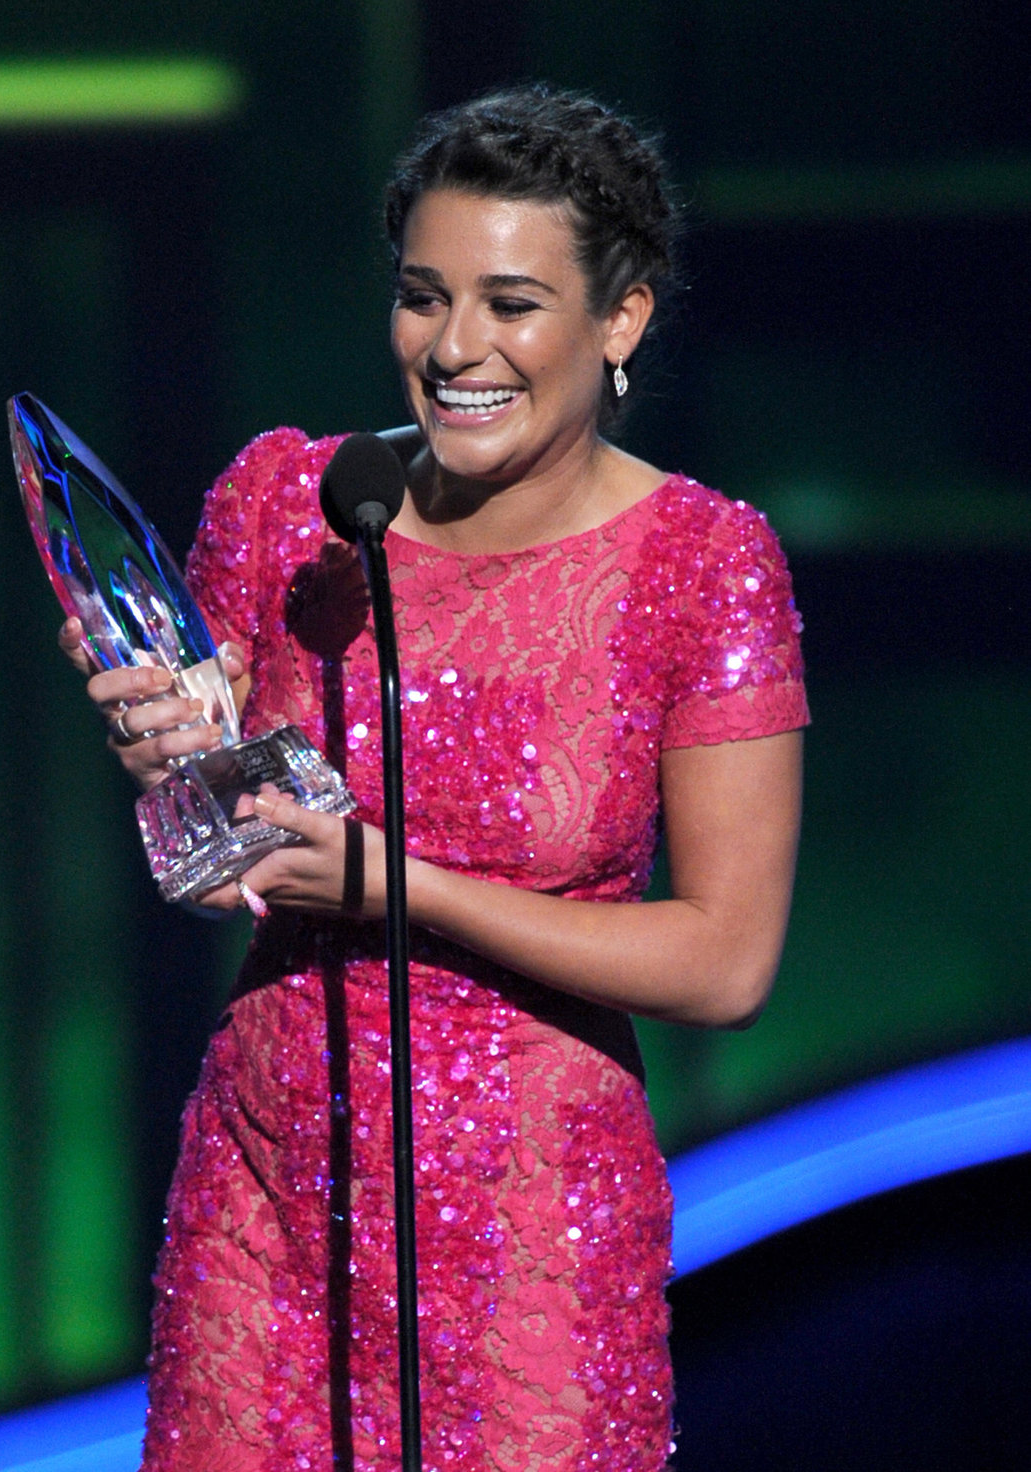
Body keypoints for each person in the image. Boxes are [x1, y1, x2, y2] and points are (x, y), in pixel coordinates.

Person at [62, 85, 808, 1472]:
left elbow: (727, 963)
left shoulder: (702, 566)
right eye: (423, 296)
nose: (456, 346)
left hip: (532, 1232)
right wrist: (170, 757)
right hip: (269, 1206)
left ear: (622, 320)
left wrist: (400, 888)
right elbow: (213, 862)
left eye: (512, 303)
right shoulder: (296, 502)